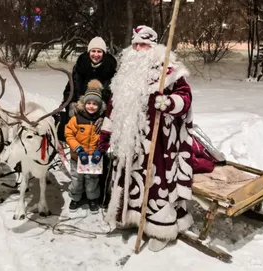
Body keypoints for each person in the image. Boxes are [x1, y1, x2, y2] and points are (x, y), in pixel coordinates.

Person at [99, 25, 194, 252]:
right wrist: (106, 133)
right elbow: (113, 107)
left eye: (143, 45)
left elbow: (185, 97)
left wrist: (168, 103)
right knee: (127, 181)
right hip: (129, 144)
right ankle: (130, 218)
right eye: (135, 45)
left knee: (156, 185)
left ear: (153, 47)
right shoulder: (125, 75)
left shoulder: (168, 72)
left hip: (157, 144)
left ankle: (161, 228)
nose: (138, 49)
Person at [57, 36, 117, 141]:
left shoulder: (111, 70)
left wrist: (105, 116)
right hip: (80, 109)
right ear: (89, 52)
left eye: (99, 51)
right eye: (93, 51)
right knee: (66, 129)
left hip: (99, 112)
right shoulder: (80, 67)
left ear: (104, 53)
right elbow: (69, 90)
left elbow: (113, 97)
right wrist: (71, 104)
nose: (96, 54)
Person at [65, 79, 106, 214]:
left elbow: (106, 138)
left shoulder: (101, 122)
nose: (91, 106)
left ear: (100, 106)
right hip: (77, 156)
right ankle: (75, 197)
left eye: (95, 104)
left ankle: (92, 198)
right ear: (84, 103)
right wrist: (78, 149)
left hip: (94, 158)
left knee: (92, 179)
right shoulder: (76, 119)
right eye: (89, 103)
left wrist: (99, 151)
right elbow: (69, 135)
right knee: (76, 178)